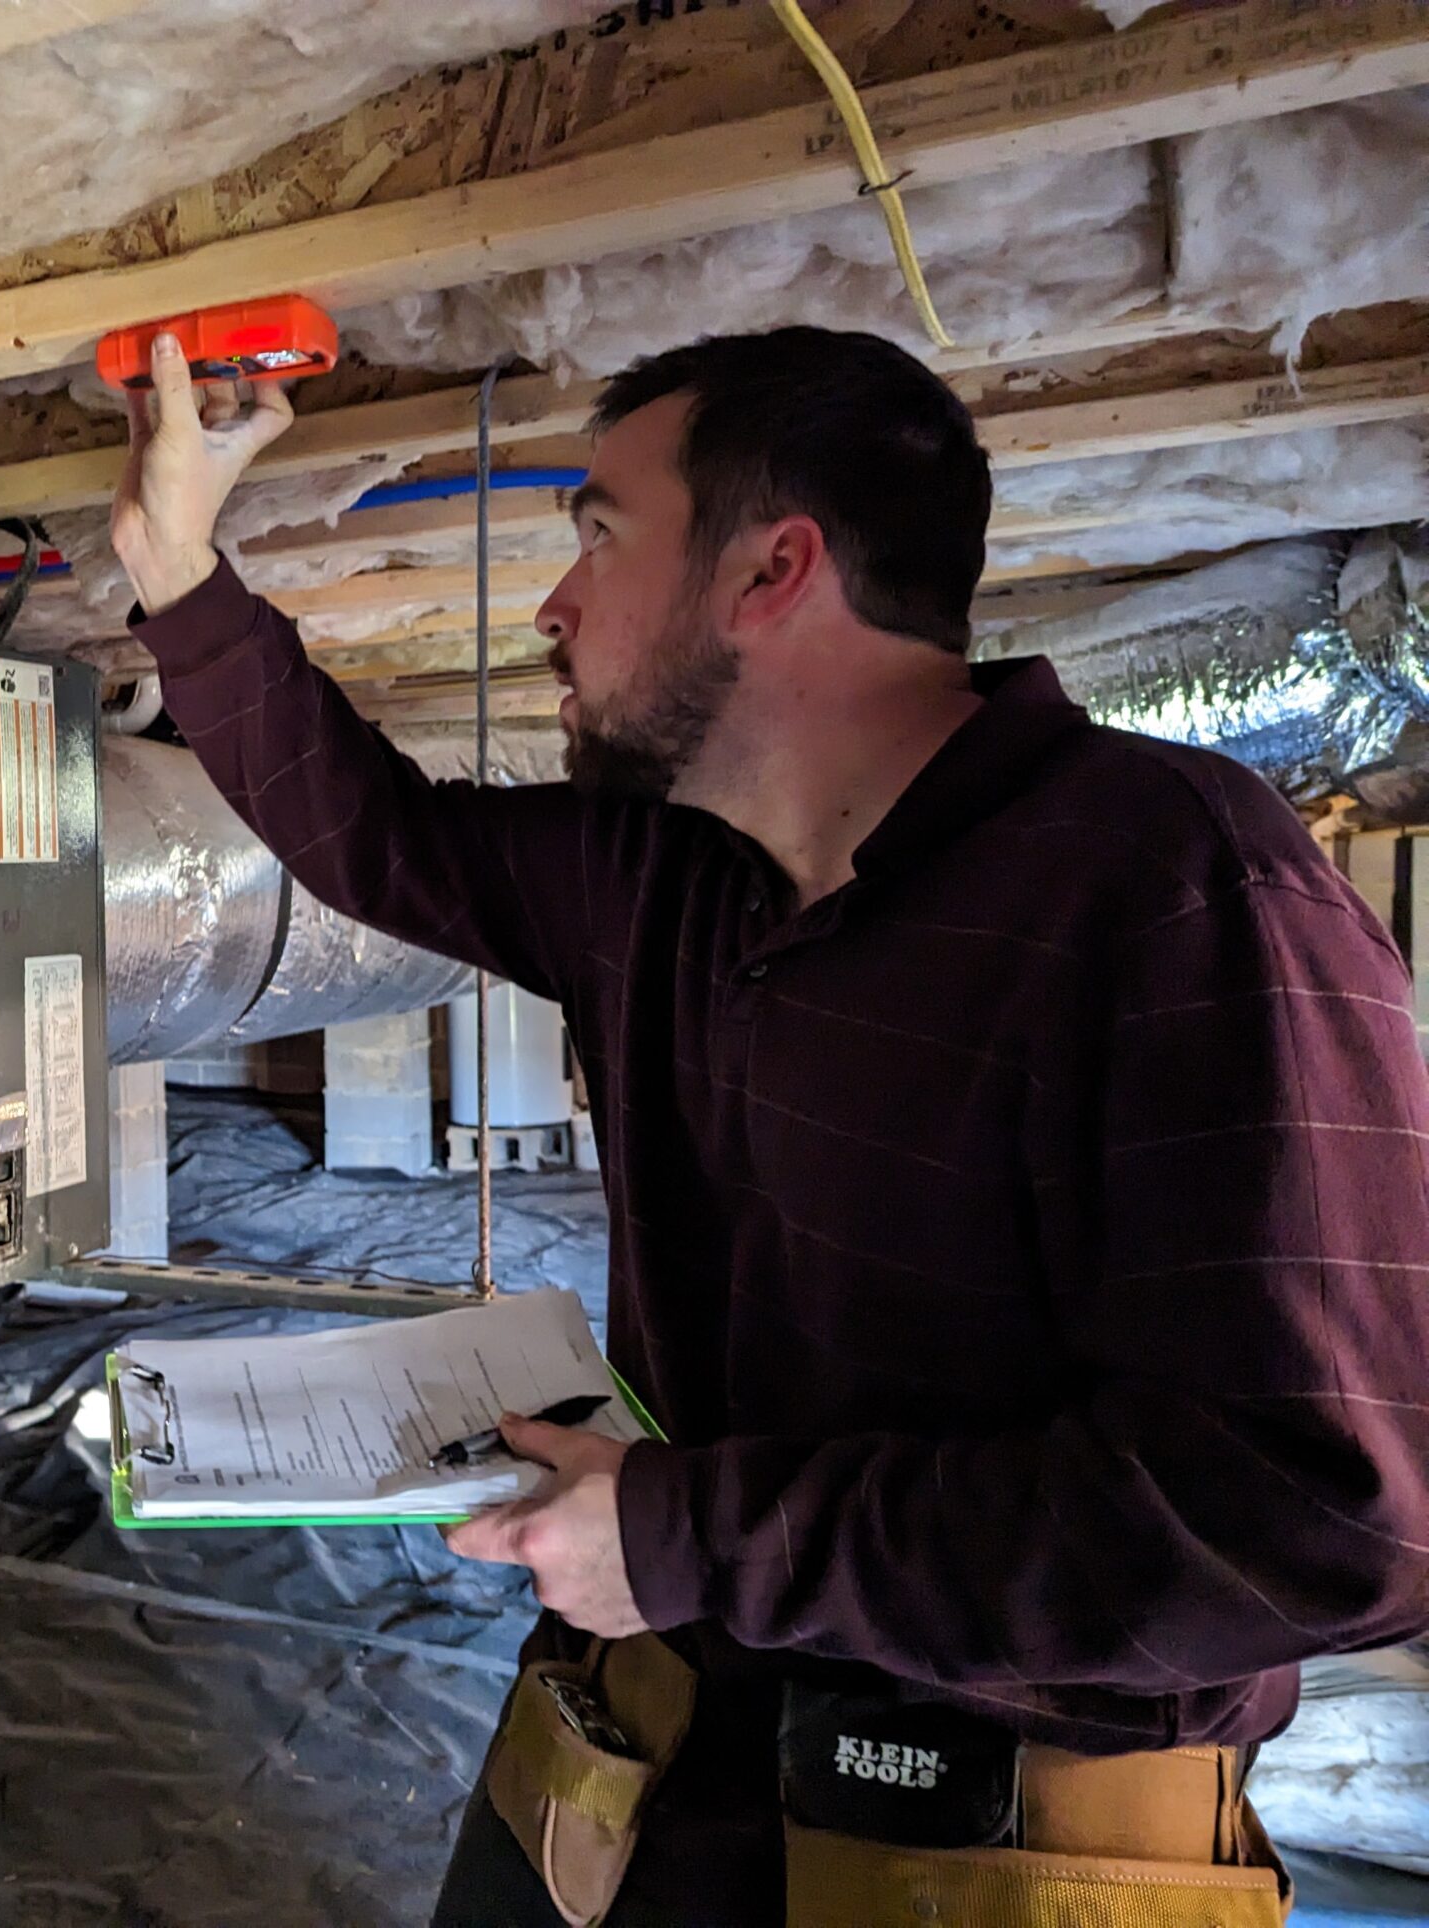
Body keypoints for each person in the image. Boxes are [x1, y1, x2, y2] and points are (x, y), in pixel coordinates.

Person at [109, 323, 1429, 1923]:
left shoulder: (1174, 886)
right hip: (639, 1749)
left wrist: (696, 1541)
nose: (554, 603)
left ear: (769, 571)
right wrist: (176, 567)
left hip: (986, 1846)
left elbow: (1314, 1520)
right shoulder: (665, 877)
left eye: (598, 537)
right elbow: (381, 841)